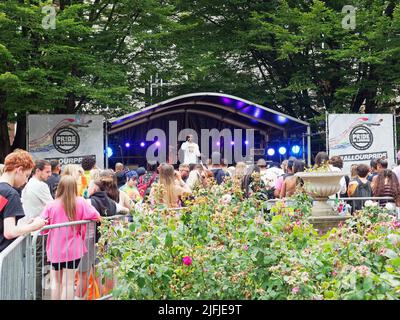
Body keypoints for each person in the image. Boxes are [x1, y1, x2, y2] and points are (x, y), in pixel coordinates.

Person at [40, 175, 101, 300]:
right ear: (74, 187)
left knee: (56, 283)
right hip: (73, 249)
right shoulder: (81, 202)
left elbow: (42, 226)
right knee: (68, 283)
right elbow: (96, 216)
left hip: (55, 249)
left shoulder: (51, 205)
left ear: (60, 187)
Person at [0, 150, 47, 253]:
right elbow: (9, 232)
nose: (26, 181)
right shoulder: (11, 194)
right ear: (19, 170)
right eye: (26, 175)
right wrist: (35, 225)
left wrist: (26, 226)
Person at [21, 159, 54, 300]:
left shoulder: (29, 185)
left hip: (32, 231)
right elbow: (53, 206)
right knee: (39, 267)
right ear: (38, 171)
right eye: (47, 172)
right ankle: (37, 296)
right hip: (39, 232)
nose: (50, 175)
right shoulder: (40, 186)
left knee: (36, 266)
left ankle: (35, 294)